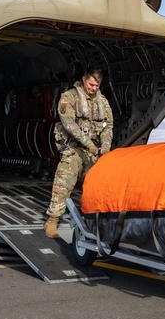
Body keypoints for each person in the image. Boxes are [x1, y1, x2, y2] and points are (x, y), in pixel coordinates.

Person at [44, 66, 114, 239]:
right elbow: (69, 124)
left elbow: (108, 126)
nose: (93, 89)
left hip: (93, 151)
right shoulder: (69, 97)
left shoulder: (102, 102)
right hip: (74, 149)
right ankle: (53, 219)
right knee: (64, 181)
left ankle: (92, 219)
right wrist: (88, 143)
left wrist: (105, 146)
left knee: (98, 185)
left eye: (96, 86)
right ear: (84, 79)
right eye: (91, 85)